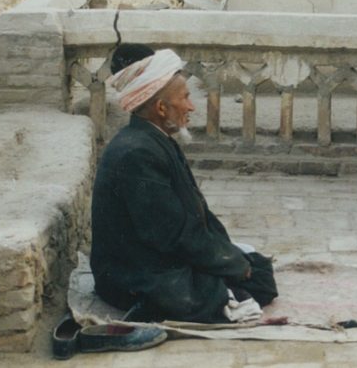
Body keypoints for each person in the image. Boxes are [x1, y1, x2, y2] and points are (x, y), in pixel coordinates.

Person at [90, 48, 277, 324]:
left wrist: (227, 255)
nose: (191, 107)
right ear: (161, 108)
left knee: (256, 270)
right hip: (134, 272)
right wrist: (227, 263)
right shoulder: (137, 153)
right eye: (186, 98)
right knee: (244, 290)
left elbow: (194, 214)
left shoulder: (153, 139)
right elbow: (170, 233)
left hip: (156, 256)